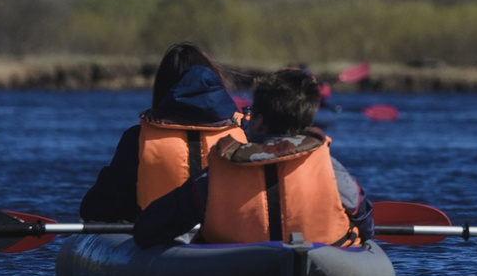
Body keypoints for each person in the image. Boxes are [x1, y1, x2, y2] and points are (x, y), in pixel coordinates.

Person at [132, 67, 373, 248]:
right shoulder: (331, 169)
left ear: (258, 121)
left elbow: (150, 228)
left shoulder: (217, 174)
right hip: (322, 260)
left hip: (237, 269)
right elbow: (364, 219)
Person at [79, 43, 248, 224]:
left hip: (157, 239)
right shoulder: (243, 133)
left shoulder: (137, 139)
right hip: (227, 239)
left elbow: (96, 209)